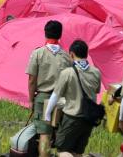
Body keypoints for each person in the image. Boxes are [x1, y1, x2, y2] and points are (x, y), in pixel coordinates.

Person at [44, 40, 101, 157]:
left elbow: (55, 95)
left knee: (62, 150)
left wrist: (48, 114)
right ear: (86, 54)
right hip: (88, 120)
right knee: (77, 152)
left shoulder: (68, 72)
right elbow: (96, 91)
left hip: (72, 117)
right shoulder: (96, 72)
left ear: (71, 54)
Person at [25, 20, 73, 157]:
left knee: (44, 135)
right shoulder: (66, 57)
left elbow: (32, 80)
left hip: (43, 98)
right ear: (60, 35)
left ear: (45, 34)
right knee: (61, 135)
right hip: (62, 100)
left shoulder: (38, 53)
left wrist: (30, 100)